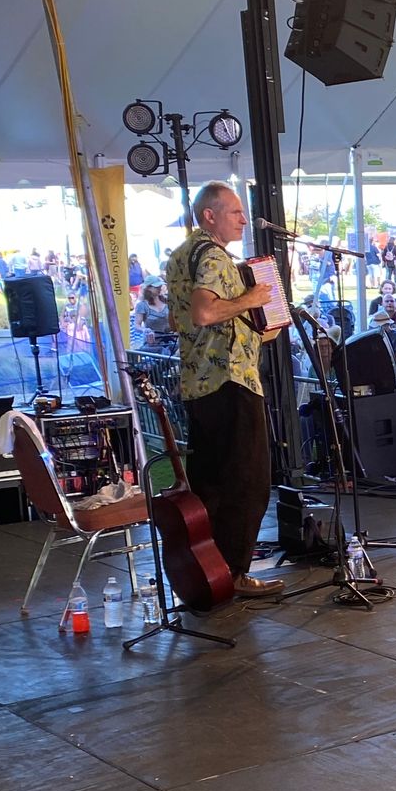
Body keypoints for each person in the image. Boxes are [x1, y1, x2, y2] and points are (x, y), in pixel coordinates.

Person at [163, 182, 283, 598]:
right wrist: (252, 299)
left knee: (210, 484)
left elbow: (181, 320)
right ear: (209, 216)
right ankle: (234, 572)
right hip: (230, 380)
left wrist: (253, 327)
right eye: (235, 212)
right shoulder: (213, 256)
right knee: (248, 482)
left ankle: (208, 573)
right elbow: (204, 312)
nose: (244, 220)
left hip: (198, 381)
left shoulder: (182, 254)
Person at [132, 280, 171, 347]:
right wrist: (145, 330)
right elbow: (137, 326)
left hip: (171, 340)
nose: (159, 288)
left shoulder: (167, 301)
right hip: (152, 343)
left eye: (160, 286)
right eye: (156, 287)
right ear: (148, 288)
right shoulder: (142, 305)